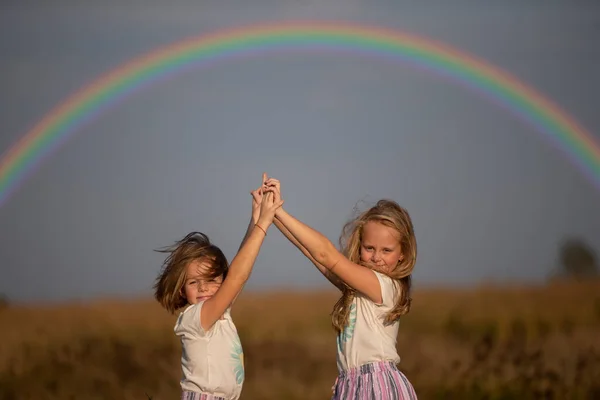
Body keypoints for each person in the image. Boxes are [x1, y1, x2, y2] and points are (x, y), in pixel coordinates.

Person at [255, 174, 418, 399]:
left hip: (376, 385)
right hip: (350, 383)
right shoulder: (359, 286)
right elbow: (314, 254)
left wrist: (280, 211)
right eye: (369, 248)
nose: (376, 257)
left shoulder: (385, 285)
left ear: (403, 255)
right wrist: (270, 214)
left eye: (386, 250)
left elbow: (325, 254)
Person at [154, 182, 283, 400]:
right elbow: (237, 277)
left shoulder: (219, 313)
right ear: (182, 290)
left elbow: (237, 273)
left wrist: (255, 218)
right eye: (193, 282)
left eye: (211, 280)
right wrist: (263, 225)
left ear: (222, 280)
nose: (203, 287)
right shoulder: (196, 317)